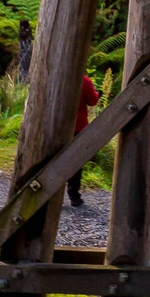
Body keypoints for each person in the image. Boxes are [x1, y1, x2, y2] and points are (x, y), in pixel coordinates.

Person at [67, 72, 101, 206]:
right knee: (75, 162)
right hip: (78, 126)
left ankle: (51, 193)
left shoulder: (57, 77)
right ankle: (74, 196)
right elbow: (92, 101)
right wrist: (98, 94)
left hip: (57, 126)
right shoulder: (84, 81)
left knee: (54, 159)